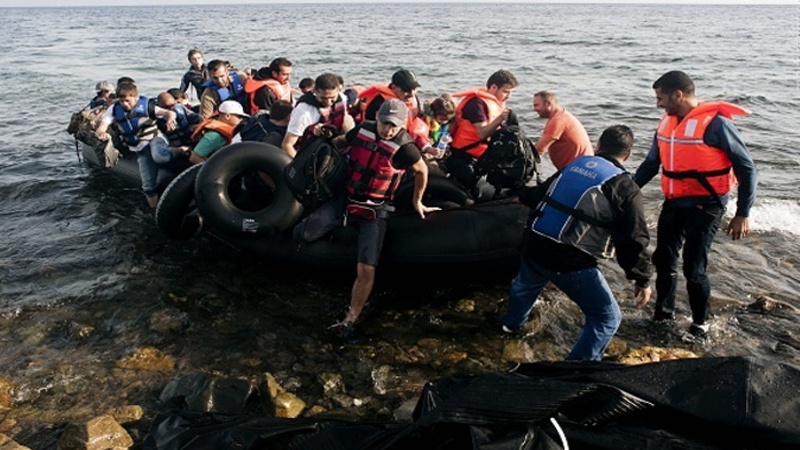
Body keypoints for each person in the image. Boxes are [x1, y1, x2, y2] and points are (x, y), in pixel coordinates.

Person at [501, 125, 652, 361]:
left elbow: (540, 193)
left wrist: (521, 197)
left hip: (533, 243)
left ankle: (510, 327)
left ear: (598, 145)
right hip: (569, 261)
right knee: (607, 318)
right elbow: (634, 238)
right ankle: (577, 367)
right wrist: (641, 278)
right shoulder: (626, 187)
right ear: (629, 155)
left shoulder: (575, 165)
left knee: (526, 285)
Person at [633, 70, 757, 338]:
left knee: (693, 266)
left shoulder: (717, 125)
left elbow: (747, 168)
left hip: (707, 203)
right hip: (675, 200)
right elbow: (651, 164)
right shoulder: (666, 123)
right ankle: (663, 316)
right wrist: (627, 192)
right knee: (664, 258)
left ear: (678, 94)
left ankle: (700, 323)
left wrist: (743, 213)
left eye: (661, 98)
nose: (658, 104)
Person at [331, 99, 440, 341]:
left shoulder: (405, 147)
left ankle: (351, 317)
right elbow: (340, 143)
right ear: (377, 118)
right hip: (347, 198)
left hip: (375, 209)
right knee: (304, 233)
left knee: (367, 268)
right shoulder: (362, 130)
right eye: (384, 123)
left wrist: (417, 201)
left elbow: (422, 170)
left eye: (393, 126)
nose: (388, 130)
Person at [94, 83, 177, 208]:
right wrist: (102, 133)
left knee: (159, 156)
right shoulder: (114, 109)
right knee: (148, 187)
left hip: (154, 139)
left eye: (127, 101)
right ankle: (156, 212)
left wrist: (170, 119)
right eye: (122, 101)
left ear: (136, 97)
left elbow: (169, 113)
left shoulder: (148, 106)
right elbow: (102, 127)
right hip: (140, 149)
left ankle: (179, 151)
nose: (124, 104)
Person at [447, 69, 518, 190]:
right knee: (473, 191)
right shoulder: (476, 103)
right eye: (505, 92)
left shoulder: (494, 102)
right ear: (493, 87)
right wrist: (501, 118)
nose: (508, 97)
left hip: (482, 155)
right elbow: (482, 133)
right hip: (464, 156)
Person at [359, 69, 436, 157]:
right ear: (394, 88)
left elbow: (415, 125)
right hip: (386, 145)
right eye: (406, 90)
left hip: (408, 140)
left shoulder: (414, 100)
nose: (412, 94)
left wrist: (424, 145)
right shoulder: (380, 103)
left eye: (414, 89)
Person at [281, 72, 352, 158]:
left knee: (348, 120)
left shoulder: (342, 98)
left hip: (331, 143)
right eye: (323, 98)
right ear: (315, 91)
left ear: (338, 90)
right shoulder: (304, 111)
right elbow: (287, 144)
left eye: (332, 98)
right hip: (310, 151)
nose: (328, 102)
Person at [531, 91, 593, 170]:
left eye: (536, 105)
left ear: (548, 103)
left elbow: (539, 150)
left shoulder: (558, 120)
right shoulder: (561, 115)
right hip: (580, 166)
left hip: (578, 169)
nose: (534, 109)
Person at [151, 91, 201, 164]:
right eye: (166, 107)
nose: (171, 108)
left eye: (172, 105)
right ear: (159, 106)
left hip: (190, 139)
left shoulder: (180, 108)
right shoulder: (155, 117)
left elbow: (194, 117)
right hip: (175, 145)